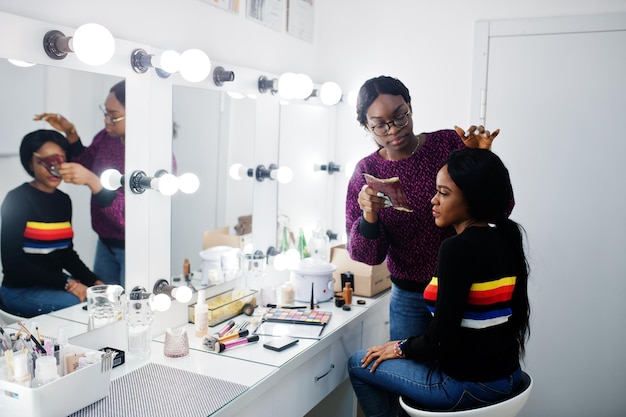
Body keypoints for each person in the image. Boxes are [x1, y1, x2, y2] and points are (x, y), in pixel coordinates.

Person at [348, 148, 530, 415]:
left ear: (472, 199)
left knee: (357, 363)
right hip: (508, 378)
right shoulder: (507, 235)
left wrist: (399, 347)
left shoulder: (457, 248)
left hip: (464, 386)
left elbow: (440, 340)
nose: (433, 200)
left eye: (443, 193)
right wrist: (402, 347)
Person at [345, 75, 503, 344]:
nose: (393, 130)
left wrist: (483, 161)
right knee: (409, 376)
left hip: (467, 286)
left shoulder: (448, 145)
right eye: (380, 125)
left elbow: (500, 210)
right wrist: (369, 215)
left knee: (460, 373)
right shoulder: (366, 172)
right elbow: (367, 256)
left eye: (400, 116)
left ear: (410, 106)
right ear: (366, 127)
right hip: (410, 297)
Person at [0, 130, 105, 317]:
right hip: (20, 291)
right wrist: (68, 283)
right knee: (84, 306)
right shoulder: (16, 199)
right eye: (45, 162)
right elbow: (13, 262)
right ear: (30, 163)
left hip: (55, 284)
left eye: (60, 160)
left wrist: (95, 282)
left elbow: (66, 253)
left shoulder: (63, 201)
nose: (54, 168)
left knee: (102, 298)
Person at [34, 80, 126, 287]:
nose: (106, 121)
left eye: (114, 115)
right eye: (105, 112)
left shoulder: (153, 155)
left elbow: (129, 218)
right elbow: (85, 163)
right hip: (105, 243)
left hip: (133, 246)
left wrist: (93, 182)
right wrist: (71, 133)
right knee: (105, 307)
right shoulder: (106, 138)